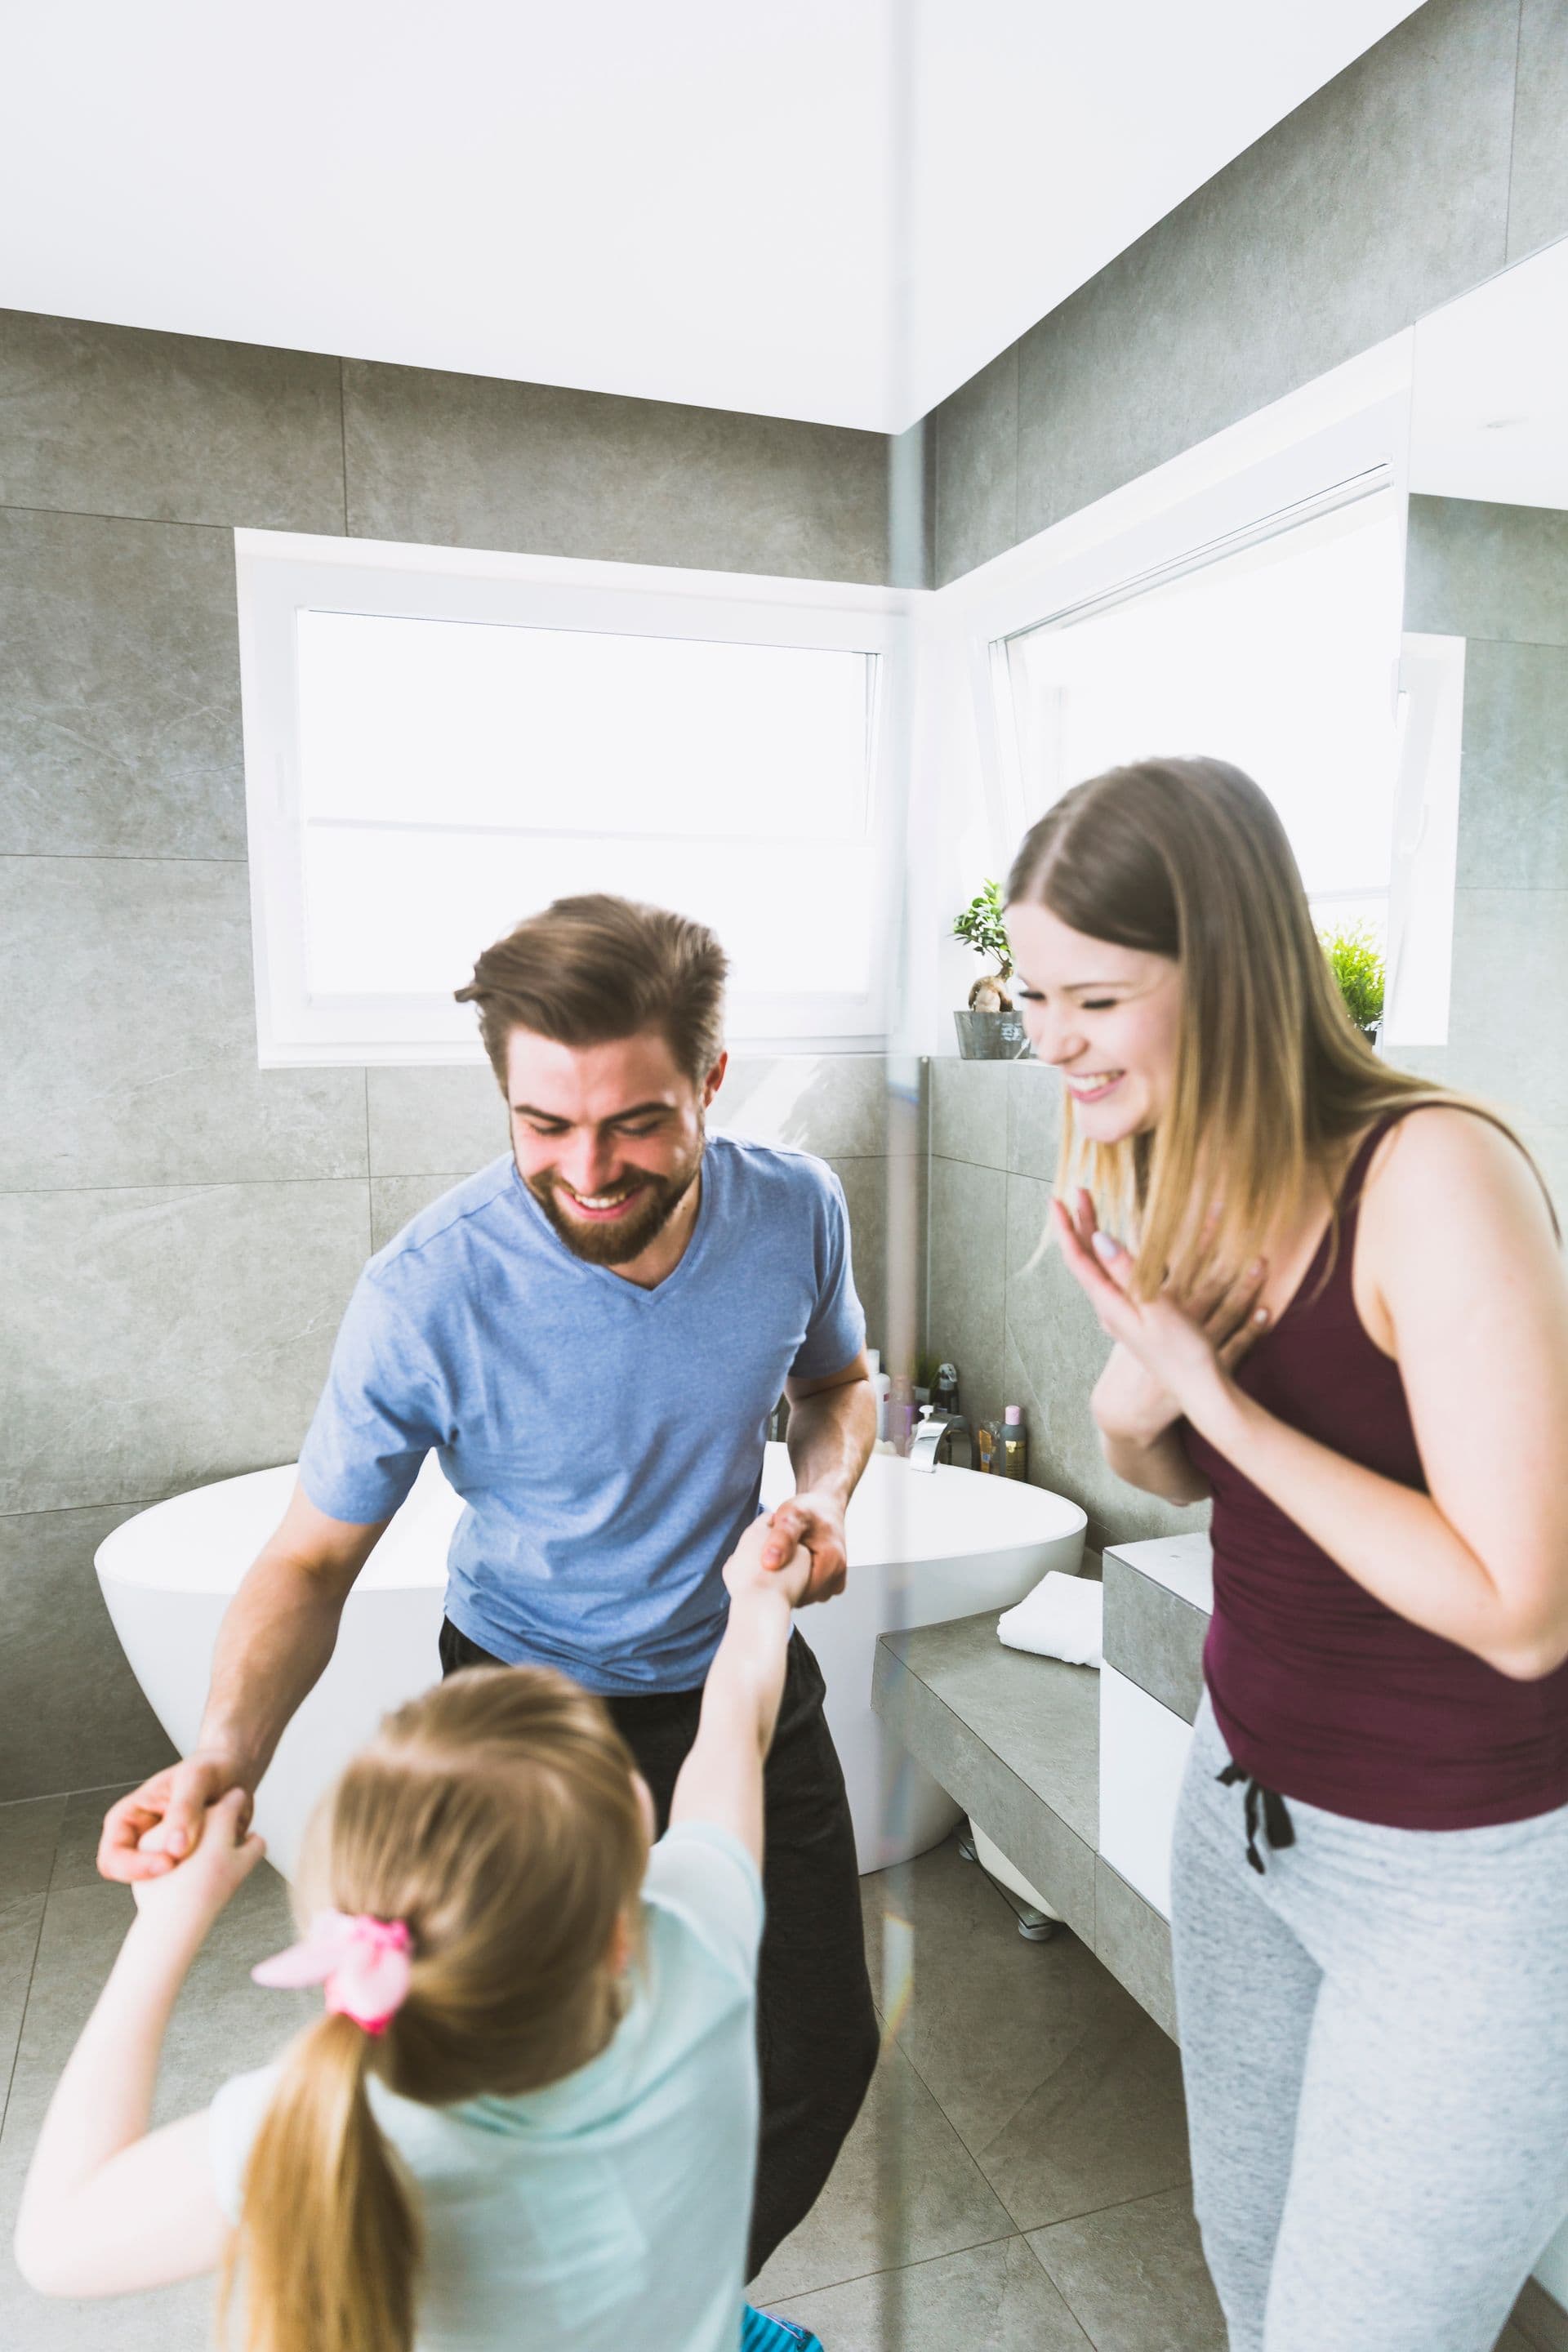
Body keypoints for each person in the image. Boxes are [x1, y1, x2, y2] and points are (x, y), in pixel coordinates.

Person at [96, 893, 879, 2286]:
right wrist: (220, 1754)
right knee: (537, 2085)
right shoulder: (427, 1290)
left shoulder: (795, 1209)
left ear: (710, 1077)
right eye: (544, 1125)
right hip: (525, 1718)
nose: (587, 1167)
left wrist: (820, 1495)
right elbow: (310, 1557)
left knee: (819, 2049)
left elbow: (837, 1387)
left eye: (634, 1121)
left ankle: (664, 2308)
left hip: (737, 1688)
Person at [1004, 757, 1568, 2352]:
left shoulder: (1432, 1175)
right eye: (1033, 994)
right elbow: (1176, 1465)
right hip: (1246, 1817)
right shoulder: (1188, 1154)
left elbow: (1524, 1610)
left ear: (1230, 967)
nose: (1050, 1041)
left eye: (1092, 998)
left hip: (1459, 1890)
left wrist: (1207, 1394)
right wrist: (1142, 1373)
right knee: (1256, 2286)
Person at [17, 1516, 826, 2352]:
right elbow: (734, 1733)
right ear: (619, 1935)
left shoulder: (345, 2120)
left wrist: (166, 1926)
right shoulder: (698, 1940)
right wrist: (760, 1598)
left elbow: (56, 2245)